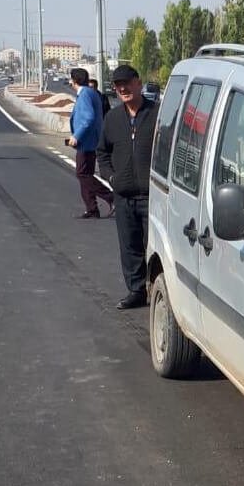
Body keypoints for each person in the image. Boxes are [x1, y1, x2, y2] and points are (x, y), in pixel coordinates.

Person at [98, 64, 159, 310]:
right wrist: (111, 178)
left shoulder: (157, 114)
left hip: (152, 195)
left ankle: (156, 290)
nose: (122, 88)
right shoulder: (112, 118)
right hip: (123, 196)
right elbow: (102, 153)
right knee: (129, 246)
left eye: (127, 83)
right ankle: (136, 290)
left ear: (138, 82)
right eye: (117, 85)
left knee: (153, 245)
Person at [67, 68, 113, 219]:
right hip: (90, 141)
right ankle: (92, 208)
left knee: (82, 174)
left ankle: (111, 198)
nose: (69, 82)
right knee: (85, 174)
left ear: (74, 81)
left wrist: (77, 136)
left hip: (87, 142)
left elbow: (88, 118)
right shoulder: (90, 92)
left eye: (70, 79)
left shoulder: (85, 94)